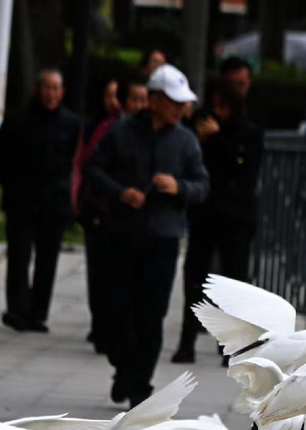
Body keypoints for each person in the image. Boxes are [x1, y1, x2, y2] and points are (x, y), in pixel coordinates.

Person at [84, 64, 209, 407]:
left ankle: (140, 384)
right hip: (122, 236)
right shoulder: (121, 133)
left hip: (164, 240)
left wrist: (178, 187)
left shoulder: (186, 141)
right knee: (118, 312)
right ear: (153, 100)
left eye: (182, 103)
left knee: (152, 315)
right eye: (173, 101)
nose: (180, 109)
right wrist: (120, 192)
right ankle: (124, 367)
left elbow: (202, 186)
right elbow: (93, 168)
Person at [172, 61, 264, 364]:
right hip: (205, 214)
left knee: (235, 283)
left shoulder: (247, 129)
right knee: (195, 279)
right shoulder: (201, 125)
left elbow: (244, 169)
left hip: (236, 217)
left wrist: (219, 138)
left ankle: (232, 347)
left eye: (224, 107)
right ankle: (187, 342)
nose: (219, 113)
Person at [0, 69, 80, 333]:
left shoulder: (70, 122)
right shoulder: (18, 119)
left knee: (48, 260)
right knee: (19, 258)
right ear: (37, 89)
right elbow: (4, 157)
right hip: (22, 199)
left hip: (54, 202)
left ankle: (38, 313)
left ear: (62, 92)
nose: (51, 93)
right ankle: (17, 310)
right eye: (46, 87)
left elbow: (72, 162)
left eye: (56, 88)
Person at [74, 79, 148, 353]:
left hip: (139, 222)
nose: (140, 105)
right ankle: (102, 327)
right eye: (134, 99)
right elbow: (89, 167)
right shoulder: (110, 130)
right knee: (102, 276)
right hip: (105, 213)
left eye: (144, 99)